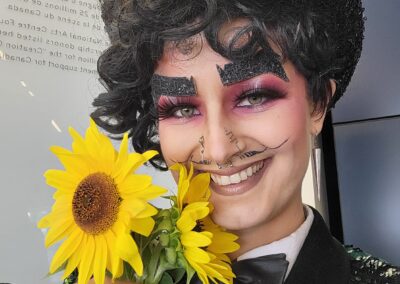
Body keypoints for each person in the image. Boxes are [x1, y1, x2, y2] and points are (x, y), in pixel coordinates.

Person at [85, 0, 400, 283]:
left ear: (316, 103)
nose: (219, 150)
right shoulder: (110, 275)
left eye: (254, 96)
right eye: (182, 108)